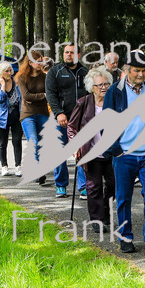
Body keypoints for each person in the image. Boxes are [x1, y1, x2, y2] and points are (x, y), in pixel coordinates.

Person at [102, 50, 145, 256]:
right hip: (124, 154)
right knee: (123, 198)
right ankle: (126, 238)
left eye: (143, 70)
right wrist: (116, 150)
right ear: (127, 70)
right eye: (137, 70)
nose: (141, 74)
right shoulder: (115, 91)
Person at [68, 67, 115, 231]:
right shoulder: (83, 102)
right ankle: (97, 220)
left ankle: (106, 213)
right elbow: (72, 127)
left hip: (112, 152)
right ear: (91, 87)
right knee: (94, 187)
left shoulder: (114, 102)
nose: (103, 87)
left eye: (106, 84)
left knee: (113, 184)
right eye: (99, 85)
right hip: (91, 152)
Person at [45, 43, 89, 198]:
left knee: (83, 153)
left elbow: (91, 94)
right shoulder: (55, 72)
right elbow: (50, 94)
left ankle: (83, 186)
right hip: (61, 119)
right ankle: (61, 185)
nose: (68, 55)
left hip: (81, 120)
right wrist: (58, 113)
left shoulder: (85, 72)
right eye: (66, 52)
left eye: (72, 52)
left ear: (78, 54)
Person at [17, 54, 50, 183]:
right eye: (38, 61)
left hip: (42, 113)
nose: (40, 63)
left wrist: (38, 96)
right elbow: (26, 96)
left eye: (41, 61)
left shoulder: (45, 77)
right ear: (30, 62)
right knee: (34, 141)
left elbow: (49, 93)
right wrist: (43, 95)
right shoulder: (22, 77)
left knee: (42, 143)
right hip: (28, 114)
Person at [0, 61, 23, 176]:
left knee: (17, 141)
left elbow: (22, 97)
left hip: (16, 116)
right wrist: (3, 86)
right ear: (1, 72)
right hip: (1, 117)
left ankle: (18, 166)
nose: (9, 73)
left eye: (10, 71)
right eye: (7, 71)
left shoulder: (17, 82)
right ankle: (4, 166)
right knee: (2, 143)